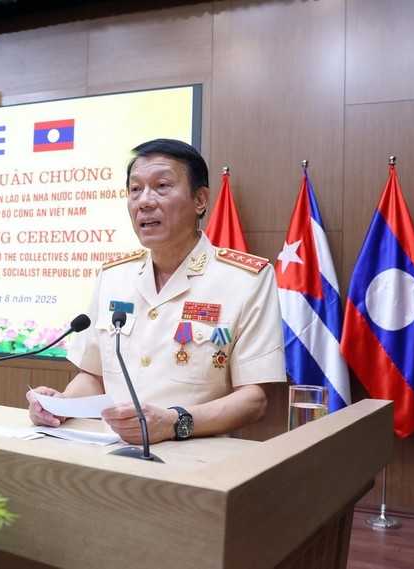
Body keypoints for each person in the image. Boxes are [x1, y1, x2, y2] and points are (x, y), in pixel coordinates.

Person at [27, 138, 286, 443]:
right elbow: (93, 377)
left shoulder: (246, 280)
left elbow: (254, 400)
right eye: (135, 189)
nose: (144, 202)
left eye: (162, 186)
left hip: (196, 459)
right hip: (107, 453)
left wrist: (173, 422)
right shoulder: (113, 277)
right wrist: (61, 405)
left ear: (200, 200)